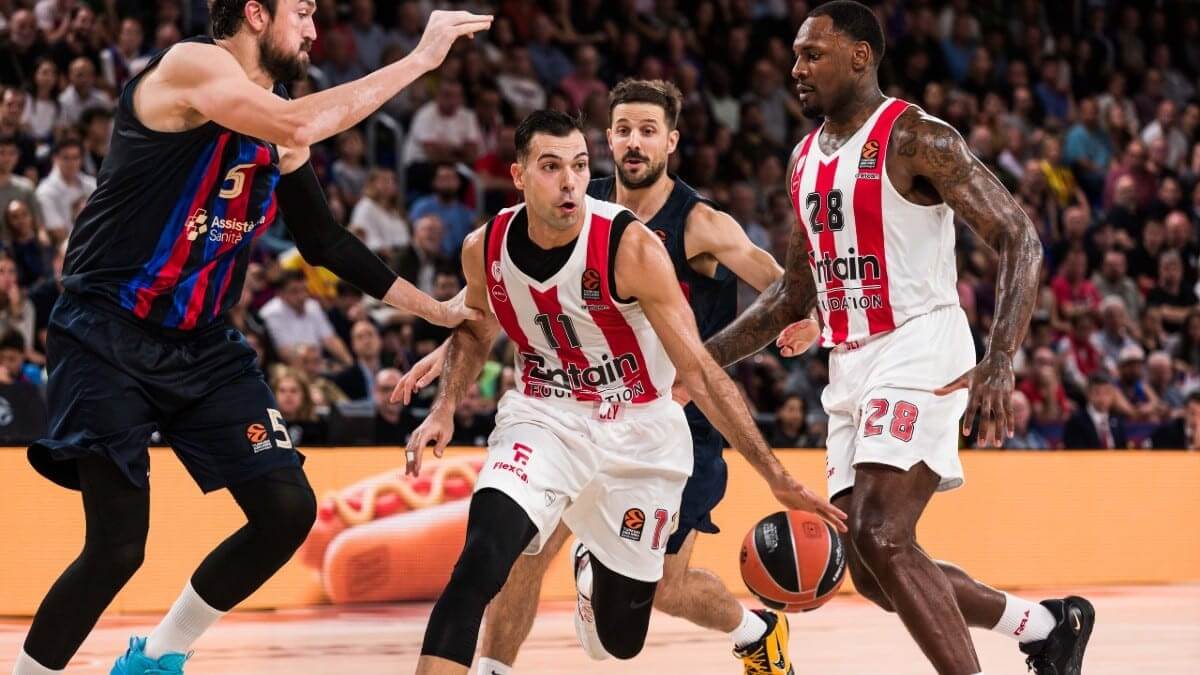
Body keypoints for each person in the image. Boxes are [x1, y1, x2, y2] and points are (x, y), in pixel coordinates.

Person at [13, 4, 491, 675]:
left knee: (286, 511)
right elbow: (299, 124)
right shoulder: (192, 66)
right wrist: (418, 60)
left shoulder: (278, 115)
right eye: (303, 11)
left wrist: (436, 310)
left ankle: (156, 657)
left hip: (202, 343)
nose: (314, 30)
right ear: (256, 12)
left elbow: (323, 241)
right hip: (107, 330)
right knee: (118, 546)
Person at [722, 3, 1093, 674]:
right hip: (849, 363)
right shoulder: (803, 159)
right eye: (797, 55)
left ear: (860, 57)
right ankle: (1046, 625)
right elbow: (792, 294)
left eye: (812, 54)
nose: (796, 68)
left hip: (919, 342)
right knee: (869, 568)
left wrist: (1001, 357)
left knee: (881, 532)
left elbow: (1019, 235)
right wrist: (697, 359)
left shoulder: (917, 137)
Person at [405, 110, 844, 675]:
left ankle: (600, 564)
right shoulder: (483, 245)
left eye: (578, 166)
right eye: (551, 167)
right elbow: (477, 323)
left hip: (642, 431)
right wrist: (444, 406)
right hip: (546, 418)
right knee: (485, 559)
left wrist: (777, 475)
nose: (569, 181)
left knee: (622, 637)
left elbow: (702, 369)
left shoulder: (636, 243)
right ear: (517, 175)